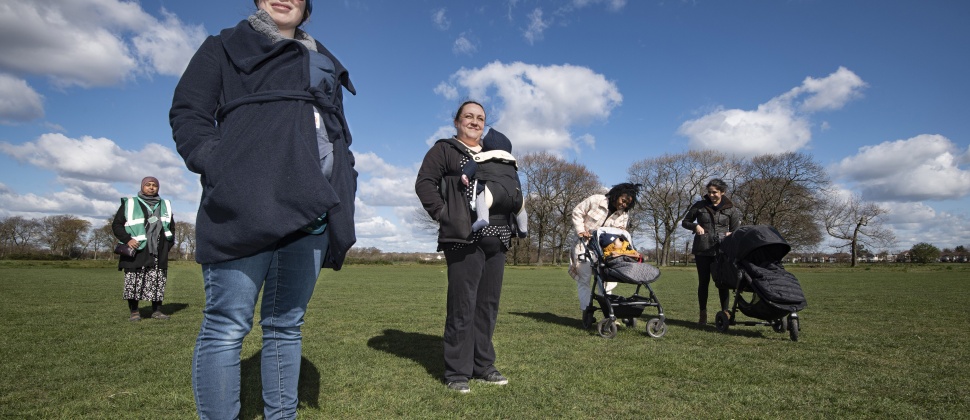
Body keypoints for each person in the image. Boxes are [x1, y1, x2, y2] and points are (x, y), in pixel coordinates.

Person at [169, 0, 358, 418]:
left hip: (313, 210)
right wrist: (220, 163)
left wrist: (346, 175)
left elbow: (337, 131)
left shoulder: (323, 60)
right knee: (226, 326)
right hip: (245, 202)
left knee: (286, 327)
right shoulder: (222, 46)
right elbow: (188, 113)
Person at [415, 101, 521, 394]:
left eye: (480, 118)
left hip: (498, 236)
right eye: (469, 116)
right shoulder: (444, 150)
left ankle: (483, 364)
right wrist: (445, 214)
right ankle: (457, 371)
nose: (475, 122)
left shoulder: (495, 153)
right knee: (463, 305)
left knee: (488, 305)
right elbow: (424, 183)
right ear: (457, 121)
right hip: (463, 237)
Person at [569, 183, 639, 320]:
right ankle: (587, 311)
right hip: (583, 246)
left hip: (604, 252)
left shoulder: (624, 214)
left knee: (607, 281)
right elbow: (577, 212)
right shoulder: (596, 200)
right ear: (616, 195)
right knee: (584, 279)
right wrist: (581, 230)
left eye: (627, 203)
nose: (624, 204)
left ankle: (609, 314)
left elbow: (619, 235)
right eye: (623, 200)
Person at [112, 176, 175, 322]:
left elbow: (171, 227)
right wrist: (128, 240)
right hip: (137, 249)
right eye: (148, 185)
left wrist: (167, 245)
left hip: (158, 251)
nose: (151, 187)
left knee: (157, 281)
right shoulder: (130, 203)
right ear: (142, 187)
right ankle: (134, 312)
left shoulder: (165, 204)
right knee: (134, 281)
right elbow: (117, 225)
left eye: (154, 185)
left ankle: (157, 311)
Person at [681, 178, 742, 325]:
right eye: (709, 192)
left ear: (722, 192)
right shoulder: (699, 206)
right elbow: (685, 222)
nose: (711, 195)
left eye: (714, 192)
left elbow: (737, 230)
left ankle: (725, 313)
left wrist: (731, 234)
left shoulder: (731, 209)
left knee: (723, 282)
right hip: (702, 249)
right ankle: (703, 313)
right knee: (703, 282)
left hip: (722, 251)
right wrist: (695, 226)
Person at [460, 128, 528, 236]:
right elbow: (517, 181)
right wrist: (518, 192)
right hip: (513, 193)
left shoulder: (482, 156)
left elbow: (472, 164)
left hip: (492, 191)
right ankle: (523, 228)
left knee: (481, 199)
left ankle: (482, 218)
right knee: (521, 209)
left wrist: (465, 175)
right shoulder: (511, 163)